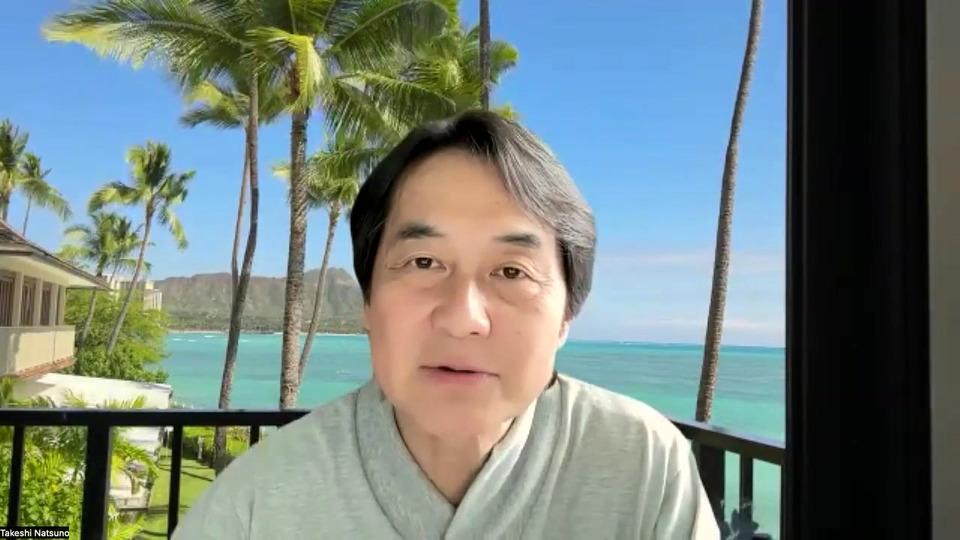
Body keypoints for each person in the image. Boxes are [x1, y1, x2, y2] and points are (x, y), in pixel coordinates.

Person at [172, 111, 719, 539]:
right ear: (368, 302)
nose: (463, 317)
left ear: (566, 315)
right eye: (423, 262)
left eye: (512, 271)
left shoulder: (643, 467)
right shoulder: (258, 503)